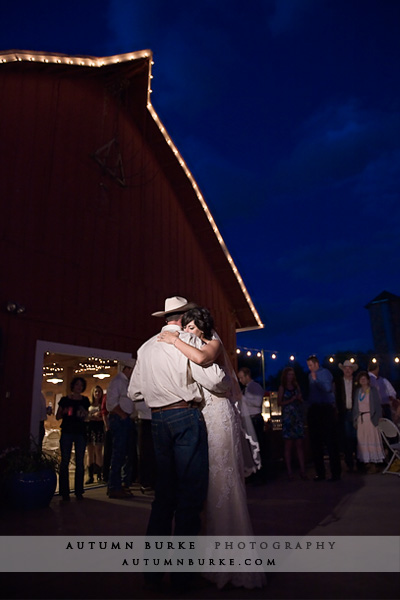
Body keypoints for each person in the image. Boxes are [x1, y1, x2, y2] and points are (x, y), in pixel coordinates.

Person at [158, 306, 266, 590]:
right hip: (201, 417)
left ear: (202, 327)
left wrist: (175, 340)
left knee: (222, 482)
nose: (188, 332)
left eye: (192, 327)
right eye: (186, 328)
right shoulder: (192, 343)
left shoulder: (212, 343)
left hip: (219, 417)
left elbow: (204, 358)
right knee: (206, 485)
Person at [128, 296, 231, 590]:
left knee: (163, 497)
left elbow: (135, 392)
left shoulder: (146, 346)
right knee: (189, 498)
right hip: (185, 417)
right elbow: (214, 381)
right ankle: (182, 576)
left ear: (165, 317)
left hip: (157, 422)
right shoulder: (189, 341)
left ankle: (152, 572)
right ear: (185, 316)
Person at [106, 359, 137, 499]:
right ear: (128, 369)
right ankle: (114, 487)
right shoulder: (118, 381)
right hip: (120, 420)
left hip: (124, 419)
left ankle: (119, 485)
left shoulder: (124, 381)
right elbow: (111, 403)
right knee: (119, 453)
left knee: (124, 453)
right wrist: (123, 415)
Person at [306, 355, 341, 482]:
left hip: (325, 409)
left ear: (316, 364)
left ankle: (335, 473)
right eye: (308, 366)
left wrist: (316, 380)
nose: (309, 368)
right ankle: (320, 473)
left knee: (330, 442)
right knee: (316, 443)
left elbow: (327, 389)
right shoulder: (310, 376)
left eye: (310, 365)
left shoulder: (324, 373)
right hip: (314, 409)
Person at [56, 377, 90, 501]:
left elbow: (86, 417)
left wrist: (84, 414)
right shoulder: (65, 400)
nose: (79, 387)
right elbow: (57, 416)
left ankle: (79, 490)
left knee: (80, 461)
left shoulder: (85, 400)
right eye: (77, 385)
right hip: (67, 431)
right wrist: (64, 411)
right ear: (73, 386)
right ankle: (64, 491)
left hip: (80, 432)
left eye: (81, 385)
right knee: (65, 460)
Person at [238, 367, 268, 483]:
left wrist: (243, 398)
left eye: (241, 377)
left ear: (247, 376)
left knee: (257, 447)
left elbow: (257, 402)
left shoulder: (255, 387)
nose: (240, 380)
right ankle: (255, 474)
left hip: (255, 420)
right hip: (249, 420)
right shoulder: (246, 388)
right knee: (252, 448)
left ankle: (260, 475)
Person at [277, 367, 306, 480]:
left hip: (297, 418)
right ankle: (289, 472)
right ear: (285, 376)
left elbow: (301, 400)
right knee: (288, 446)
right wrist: (291, 399)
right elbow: (279, 403)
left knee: (299, 444)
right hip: (288, 418)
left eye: (292, 374)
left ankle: (302, 470)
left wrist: (299, 398)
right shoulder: (282, 388)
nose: (291, 376)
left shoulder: (296, 386)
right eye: (289, 374)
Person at [352, 371, 385, 473]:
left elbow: (378, 405)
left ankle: (374, 464)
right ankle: (366, 463)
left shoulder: (373, 390)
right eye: (361, 378)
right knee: (363, 441)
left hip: (371, 419)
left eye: (364, 378)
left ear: (368, 380)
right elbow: (355, 407)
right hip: (361, 419)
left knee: (372, 439)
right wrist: (355, 420)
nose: (363, 380)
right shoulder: (358, 392)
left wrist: (378, 417)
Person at [335, 360, 358, 472]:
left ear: (352, 370)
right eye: (346, 368)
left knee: (357, 438)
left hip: (355, 413)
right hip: (344, 413)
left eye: (350, 368)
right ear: (343, 370)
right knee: (347, 438)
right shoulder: (338, 383)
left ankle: (359, 461)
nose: (348, 370)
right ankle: (350, 463)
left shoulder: (357, 382)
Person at [85, 385, 105, 484]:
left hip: (99, 428)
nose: (97, 394)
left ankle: (99, 475)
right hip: (90, 428)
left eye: (99, 392)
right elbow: (85, 416)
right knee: (90, 451)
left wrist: (99, 417)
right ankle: (90, 475)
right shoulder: (89, 405)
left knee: (98, 450)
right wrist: (92, 416)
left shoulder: (102, 405)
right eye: (96, 392)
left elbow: (105, 416)